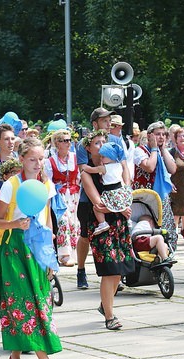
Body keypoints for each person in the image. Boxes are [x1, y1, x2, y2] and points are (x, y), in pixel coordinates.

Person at [0, 137, 61, 359]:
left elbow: (48, 218)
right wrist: (15, 223)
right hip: (14, 249)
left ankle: (15, 354)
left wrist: (51, 250)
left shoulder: (46, 183)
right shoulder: (11, 185)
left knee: (41, 297)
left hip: (38, 246)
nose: (38, 163)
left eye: (41, 159)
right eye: (32, 159)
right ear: (21, 159)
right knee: (24, 301)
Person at [81, 130, 135, 330]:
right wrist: (121, 206)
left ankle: (106, 305)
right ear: (89, 148)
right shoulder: (88, 174)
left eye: (104, 142)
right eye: (97, 143)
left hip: (120, 220)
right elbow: (99, 204)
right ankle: (110, 316)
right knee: (109, 268)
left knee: (119, 269)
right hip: (101, 225)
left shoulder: (118, 165)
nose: (101, 145)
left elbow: (127, 185)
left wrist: (125, 202)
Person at [75, 108, 114, 288]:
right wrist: (100, 169)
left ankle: (111, 271)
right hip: (88, 198)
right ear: (95, 123)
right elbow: (83, 169)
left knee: (109, 234)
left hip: (109, 193)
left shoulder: (113, 141)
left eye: (109, 119)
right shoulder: (85, 143)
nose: (108, 123)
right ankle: (81, 270)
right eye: (104, 120)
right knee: (85, 236)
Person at [133, 121, 178, 250]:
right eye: (158, 134)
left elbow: (172, 169)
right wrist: (154, 149)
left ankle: (166, 253)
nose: (161, 137)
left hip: (160, 198)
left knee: (167, 229)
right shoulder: (139, 151)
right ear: (149, 136)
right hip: (144, 199)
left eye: (163, 134)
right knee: (147, 227)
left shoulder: (162, 151)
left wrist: (162, 149)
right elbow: (149, 167)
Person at [44, 129, 80, 266]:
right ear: (57, 143)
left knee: (75, 223)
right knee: (63, 221)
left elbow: (79, 177)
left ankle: (75, 253)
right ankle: (64, 254)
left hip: (74, 194)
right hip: (60, 196)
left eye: (69, 140)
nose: (68, 143)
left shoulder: (74, 158)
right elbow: (48, 181)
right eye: (65, 140)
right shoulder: (50, 161)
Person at [91, 140, 132, 235]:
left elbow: (93, 170)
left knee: (96, 208)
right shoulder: (118, 165)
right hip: (120, 190)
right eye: (97, 143)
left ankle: (102, 223)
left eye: (103, 156)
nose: (101, 158)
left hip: (111, 191)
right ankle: (128, 219)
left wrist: (84, 168)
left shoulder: (104, 168)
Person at [170, 127, 184, 240]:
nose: (182, 138)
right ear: (175, 139)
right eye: (179, 136)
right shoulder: (172, 152)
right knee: (177, 210)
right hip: (177, 185)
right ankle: (173, 233)